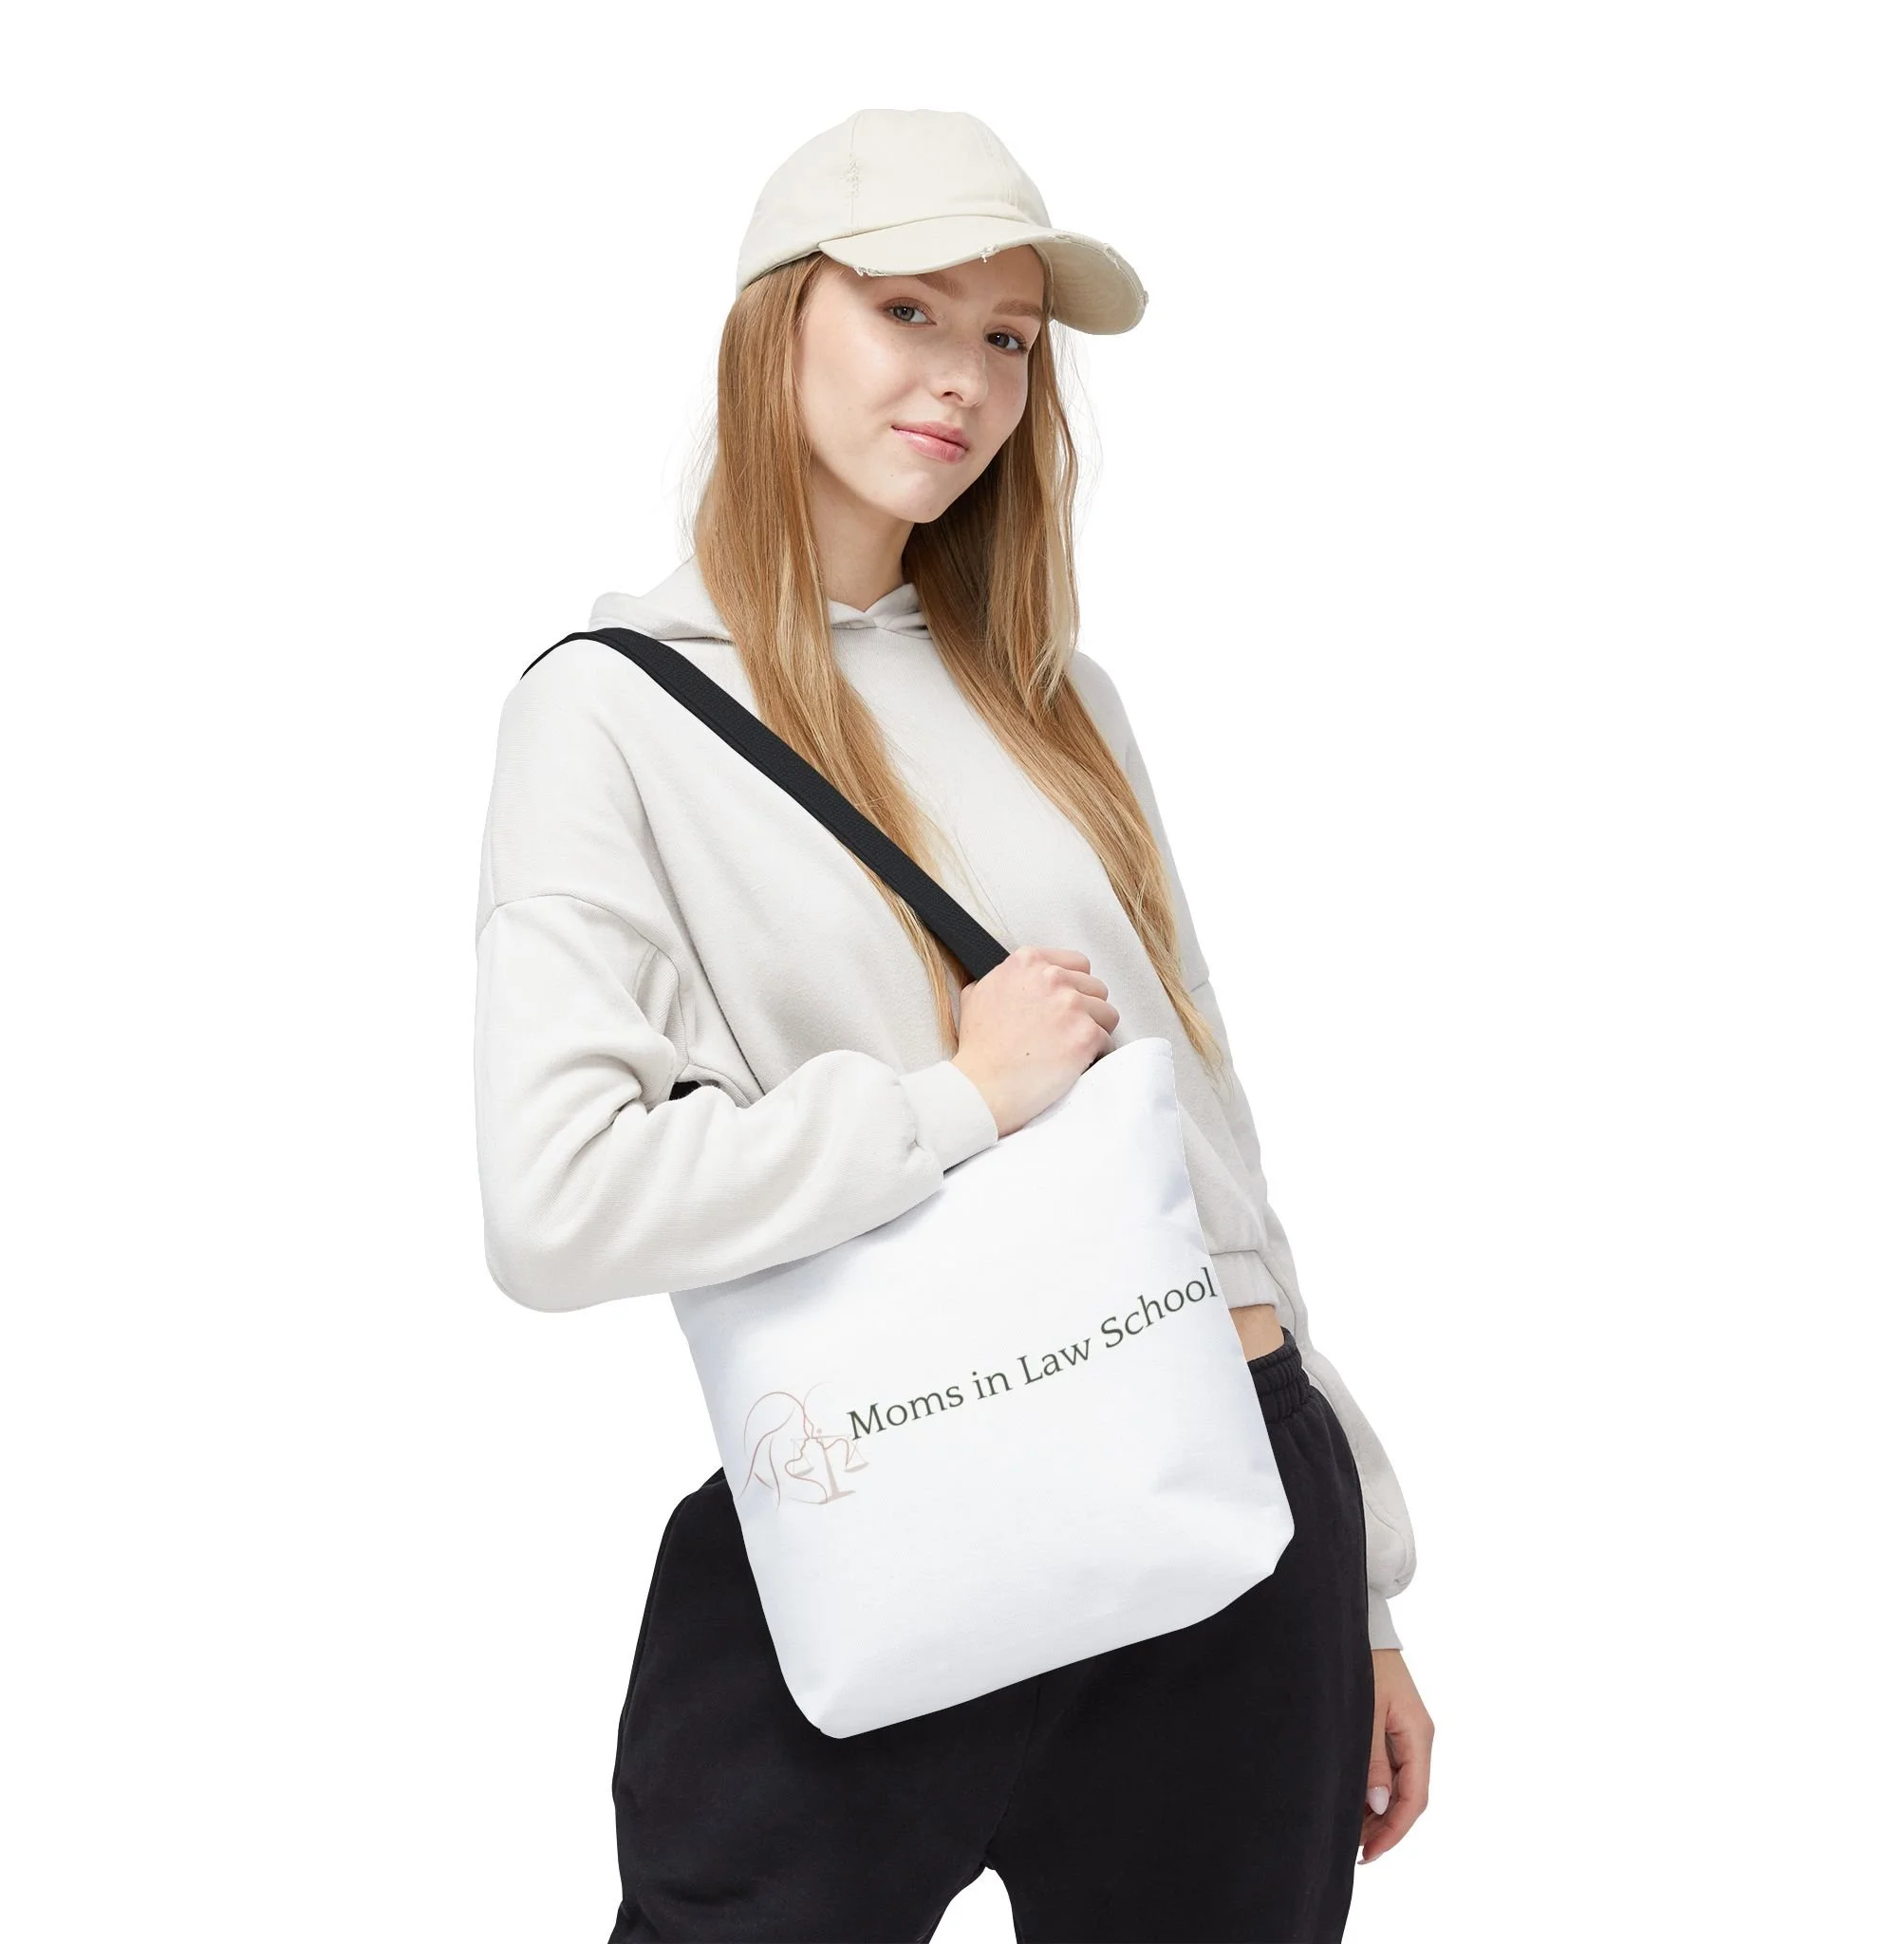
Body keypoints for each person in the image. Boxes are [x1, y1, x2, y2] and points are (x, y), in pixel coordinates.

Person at [474, 107, 1432, 1944]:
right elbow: (557, 1202)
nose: (967, 381)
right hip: (883, 1508)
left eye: (1007, 337)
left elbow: (1207, 1148)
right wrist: (959, 1103)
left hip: (1231, 1514)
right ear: (777, 324)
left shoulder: (1057, 697)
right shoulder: (616, 715)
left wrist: (1368, 1588)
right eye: (908, 309)